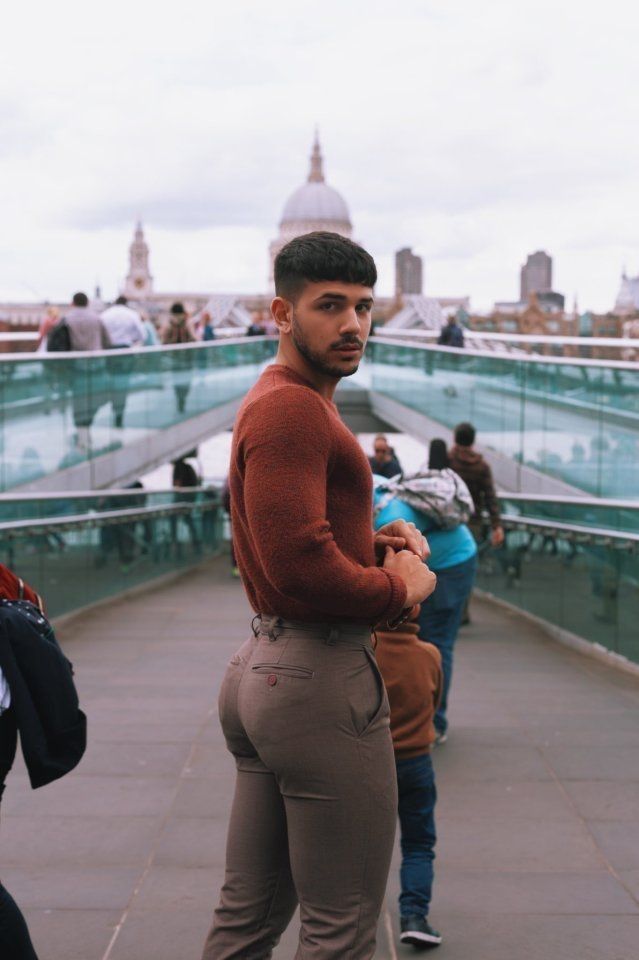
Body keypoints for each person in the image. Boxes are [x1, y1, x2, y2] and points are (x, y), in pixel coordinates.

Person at [202, 231, 436, 960]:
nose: (352, 325)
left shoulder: (283, 402)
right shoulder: (294, 409)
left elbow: (285, 536)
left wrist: (372, 542)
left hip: (268, 670)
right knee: (342, 927)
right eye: (329, 305)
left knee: (249, 916)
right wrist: (398, 588)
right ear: (281, 311)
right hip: (317, 679)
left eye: (363, 308)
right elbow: (299, 564)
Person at [373, 438, 477, 744]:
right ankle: (422, 718)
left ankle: (435, 722)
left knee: (437, 642)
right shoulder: (378, 487)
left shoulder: (385, 517)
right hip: (451, 556)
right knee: (422, 639)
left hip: (454, 563)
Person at [376, 609, 443, 949]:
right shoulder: (429, 654)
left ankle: (352, 916)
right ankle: (415, 916)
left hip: (371, 763)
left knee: (360, 843)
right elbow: (435, 702)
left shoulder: (364, 652)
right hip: (417, 762)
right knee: (418, 844)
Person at [65, 292, 112, 450]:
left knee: (78, 403)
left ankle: (82, 434)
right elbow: (108, 342)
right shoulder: (97, 318)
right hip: (97, 367)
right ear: (88, 302)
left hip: (77, 368)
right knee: (96, 400)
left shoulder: (66, 319)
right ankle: (87, 429)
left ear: (73, 302)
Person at [448, 423, 504, 548]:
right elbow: (490, 497)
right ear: (472, 441)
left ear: (455, 439)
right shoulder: (482, 466)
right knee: (467, 556)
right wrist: (496, 526)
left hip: (448, 519)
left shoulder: (448, 460)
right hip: (472, 521)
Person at [100, 296, 145, 428]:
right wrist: (131, 339)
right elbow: (142, 335)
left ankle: (113, 406)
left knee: (111, 382)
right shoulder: (132, 314)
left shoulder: (105, 314)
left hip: (109, 352)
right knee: (123, 384)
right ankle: (119, 414)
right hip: (125, 352)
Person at [160, 303, 197, 413]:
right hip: (187, 359)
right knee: (186, 380)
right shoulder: (187, 323)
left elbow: (164, 342)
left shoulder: (169, 324)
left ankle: (179, 398)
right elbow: (194, 339)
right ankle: (183, 398)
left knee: (176, 380)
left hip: (174, 359)